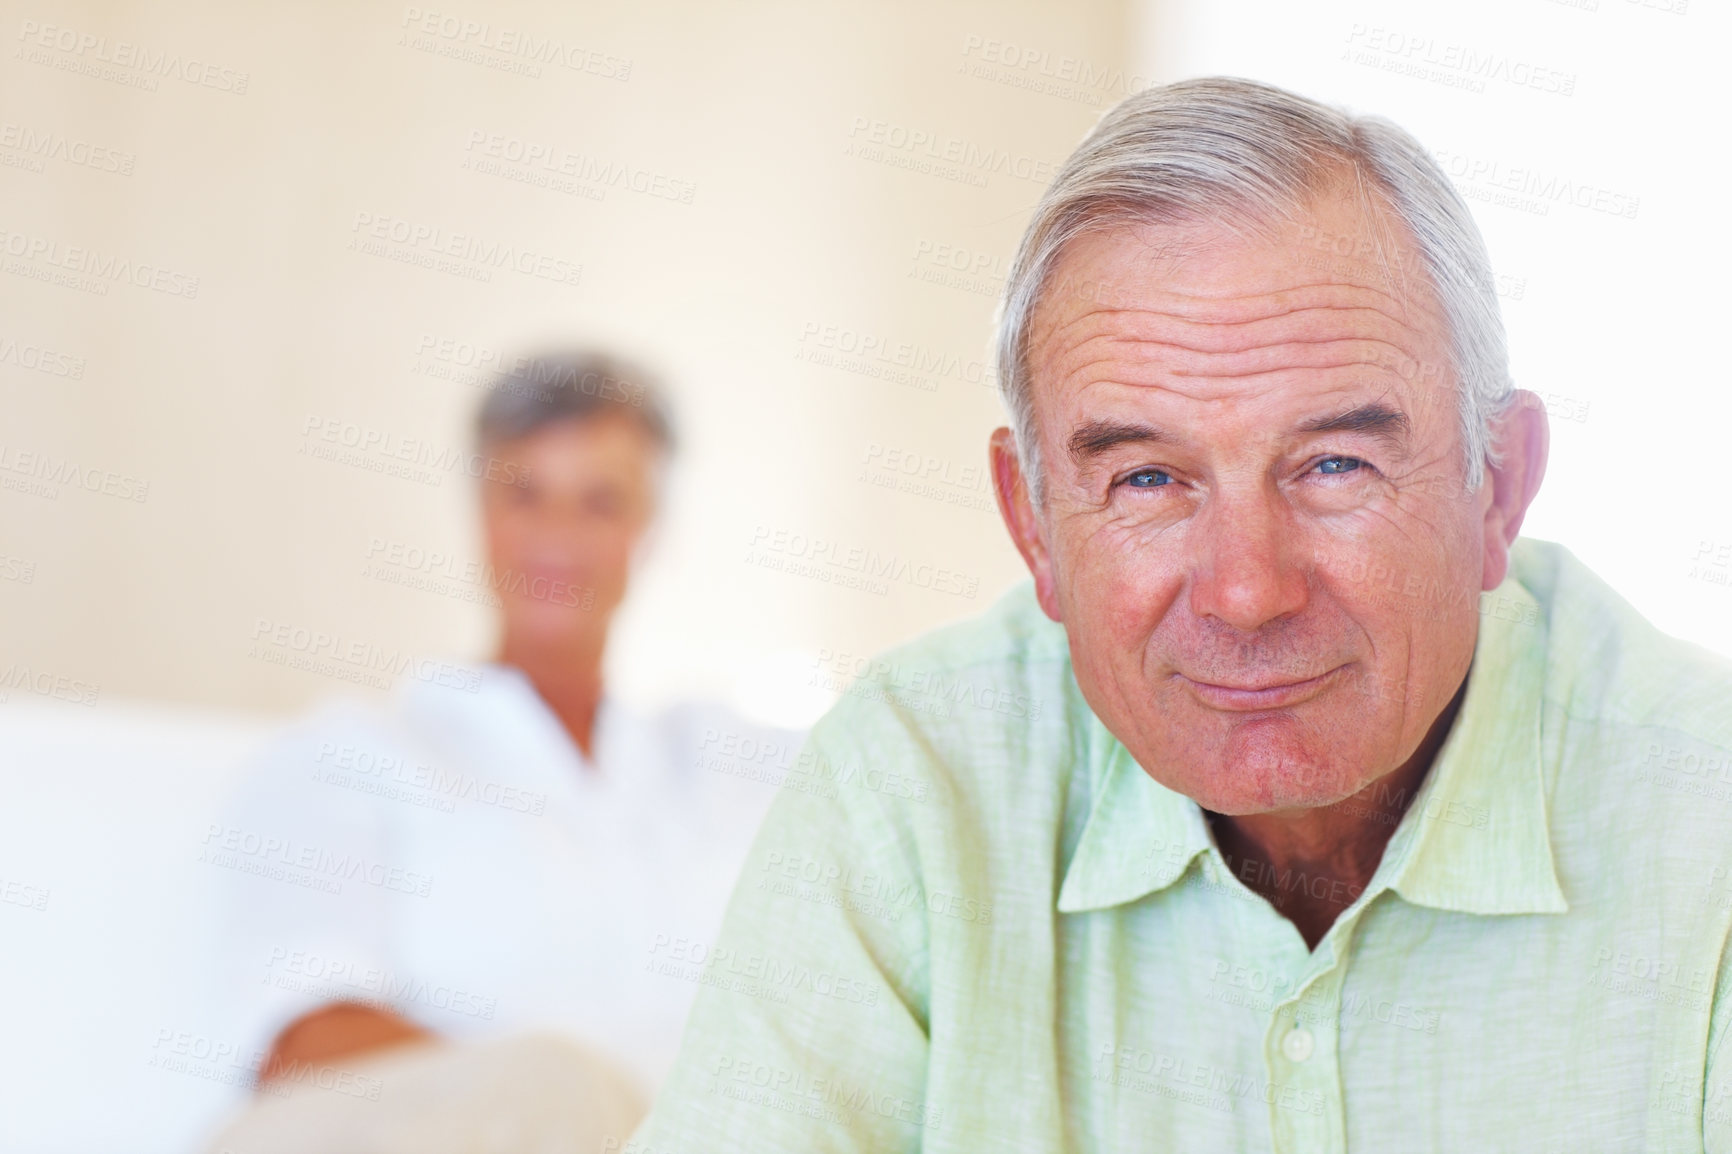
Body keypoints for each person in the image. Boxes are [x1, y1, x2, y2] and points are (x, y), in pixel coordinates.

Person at [630, 78, 1732, 1152]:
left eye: (1335, 463)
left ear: (1495, 485)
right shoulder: (914, 782)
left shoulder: (1704, 819)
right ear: (1033, 526)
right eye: (1148, 480)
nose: (1246, 590)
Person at [208, 352, 797, 1152]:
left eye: (600, 501)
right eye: (526, 494)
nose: (558, 535)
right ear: (481, 511)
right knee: (560, 1088)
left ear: (647, 531)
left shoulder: (717, 767)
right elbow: (304, 1039)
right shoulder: (355, 752)